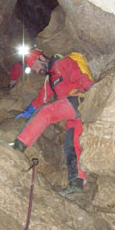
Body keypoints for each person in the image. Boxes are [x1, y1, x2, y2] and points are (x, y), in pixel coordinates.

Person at [12, 48, 94, 196]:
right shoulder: (50, 81)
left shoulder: (62, 63)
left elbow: (80, 76)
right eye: (33, 69)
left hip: (80, 100)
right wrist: (27, 112)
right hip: (72, 114)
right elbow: (41, 99)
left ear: (42, 58)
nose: (36, 70)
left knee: (47, 112)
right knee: (71, 144)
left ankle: (19, 145)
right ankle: (77, 183)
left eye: (36, 66)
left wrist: (93, 90)